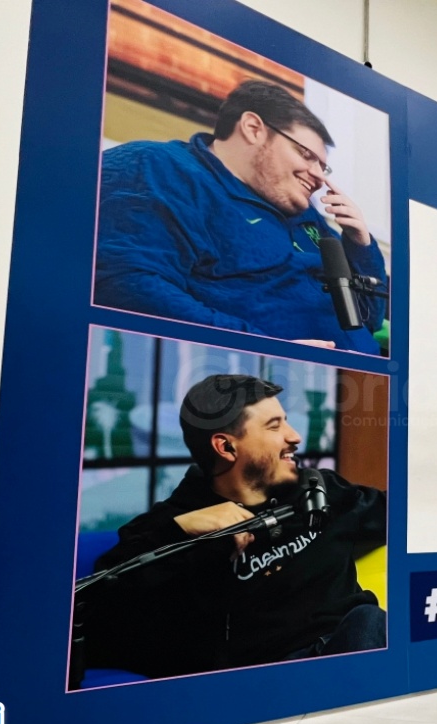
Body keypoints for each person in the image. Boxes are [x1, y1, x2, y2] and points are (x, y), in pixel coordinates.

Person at [89, 374, 386, 678]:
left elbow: (406, 516)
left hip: (349, 646)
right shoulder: (174, 522)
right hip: (262, 680)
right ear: (226, 447)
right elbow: (101, 601)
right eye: (274, 426)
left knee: (370, 621)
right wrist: (180, 530)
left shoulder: (321, 492)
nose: (295, 436)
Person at [94, 80, 388, 354]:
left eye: (323, 167)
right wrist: (264, 348)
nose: (318, 176)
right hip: (259, 382)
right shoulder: (159, 168)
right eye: (305, 155)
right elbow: (127, 285)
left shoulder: (306, 216)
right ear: (252, 128)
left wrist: (360, 244)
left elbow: (369, 320)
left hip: (356, 381)